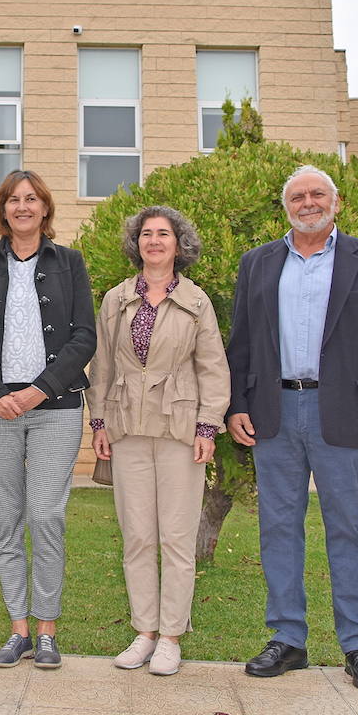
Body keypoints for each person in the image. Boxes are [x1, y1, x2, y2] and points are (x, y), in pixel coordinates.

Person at [225, 165, 358, 691]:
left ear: (336, 202)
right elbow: (242, 340)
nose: (308, 202)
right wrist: (237, 403)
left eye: (317, 194)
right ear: (287, 206)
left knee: (347, 528)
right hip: (273, 411)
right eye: (298, 196)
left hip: (343, 411)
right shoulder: (257, 263)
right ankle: (287, 637)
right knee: (278, 527)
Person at [0, 170, 96, 669]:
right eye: (13, 199)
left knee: (46, 516)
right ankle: (18, 629)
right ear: (3, 209)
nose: (22, 207)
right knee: (6, 521)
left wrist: (38, 391)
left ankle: (48, 629)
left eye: (31, 199)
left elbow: (84, 337)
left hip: (53, 407)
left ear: (44, 208)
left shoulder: (69, 262)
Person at [87, 205, 228, 676]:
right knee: (138, 537)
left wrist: (208, 427)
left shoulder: (196, 301)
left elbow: (212, 367)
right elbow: (102, 366)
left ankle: (171, 636)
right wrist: (100, 423)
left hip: (179, 430)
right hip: (127, 430)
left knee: (177, 538)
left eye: (163, 234)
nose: (153, 241)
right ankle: (144, 632)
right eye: (146, 234)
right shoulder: (117, 300)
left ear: (178, 244)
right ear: (136, 244)